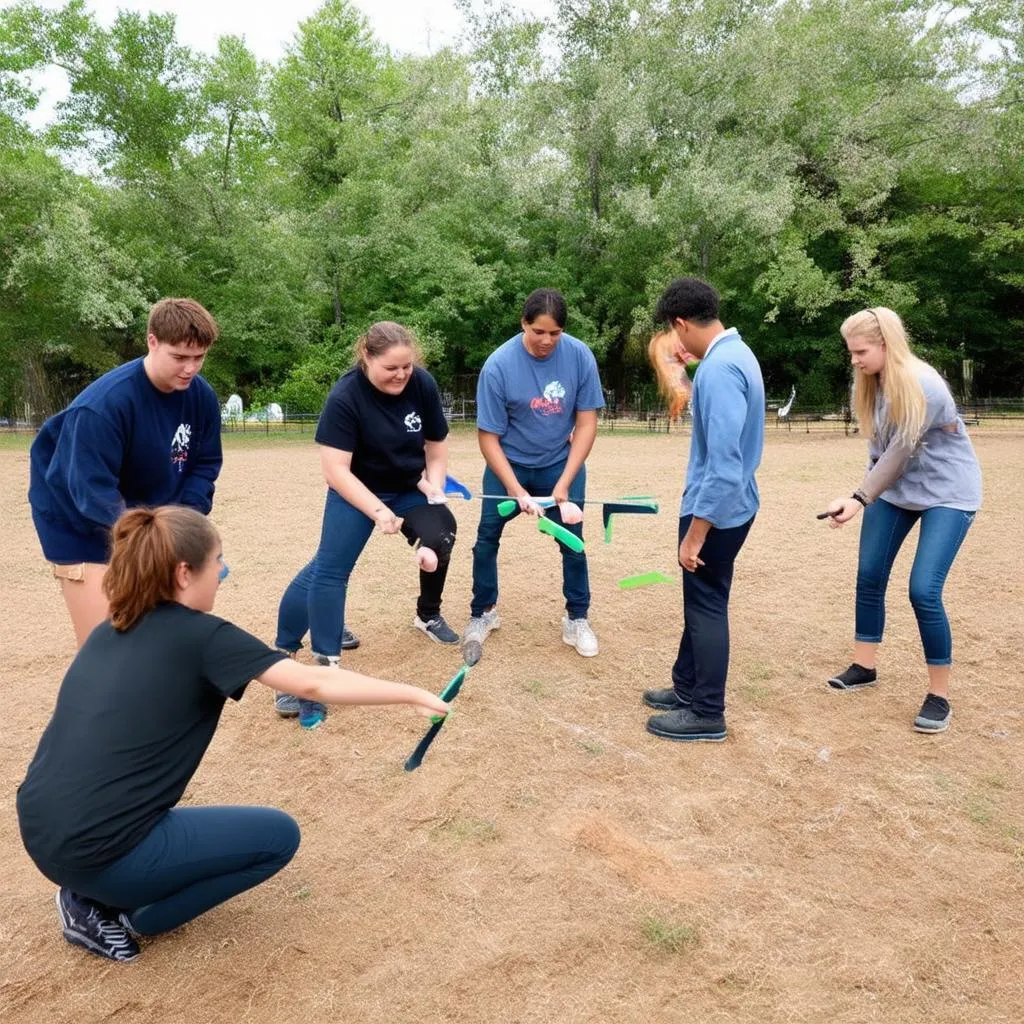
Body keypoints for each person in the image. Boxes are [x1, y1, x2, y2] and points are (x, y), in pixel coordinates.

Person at [16, 506, 447, 964]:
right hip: (98, 852)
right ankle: (123, 918)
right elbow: (313, 683)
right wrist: (410, 693)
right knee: (277, 838)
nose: (222, 572)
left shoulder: (114, 623)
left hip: (40, 828)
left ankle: (86, 891)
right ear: (184, 573)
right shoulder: (204, 638)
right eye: (217, 560)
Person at [275, 322, 459, 729]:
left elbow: (436, 444)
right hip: (355, 490)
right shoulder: (345, 397)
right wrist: (376, 510)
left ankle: (427, 614)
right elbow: (336, 471)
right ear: (367, 357)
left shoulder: (422, 384)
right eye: (391, 368)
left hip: (409, 487)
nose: (401, 375)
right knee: (327, 570)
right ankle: (301, 665)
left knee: (441, 532)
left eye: (407, 367)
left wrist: (435, 482)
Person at [821, 307, 981, 733]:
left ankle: (939, 696)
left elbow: (899, 453)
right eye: (850, 352)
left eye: (860, 351)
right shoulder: (874, 384)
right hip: (898, 492)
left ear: (886, 345)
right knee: (869, 573)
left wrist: (859, 498)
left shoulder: (923, 384)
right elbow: (879, 452)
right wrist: (863, 494)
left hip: (948, 494)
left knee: (923, 589)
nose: (853, 359)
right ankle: (864, 666)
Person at [28, 297, 222, 647]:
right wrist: (153, 540)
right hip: (81, 521)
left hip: (151, 522)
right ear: (152, 342)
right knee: (107, 645)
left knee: (159, 633)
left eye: (199, 358)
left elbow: (205, 465)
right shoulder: (104, 406)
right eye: (179, 357)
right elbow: (92, 490)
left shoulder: (201, 398)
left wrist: (181, 524)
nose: (190, 369)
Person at [643, 277, 764, 742]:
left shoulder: (718, 369)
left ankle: (707, 712)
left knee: (707, 606)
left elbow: (725, 464)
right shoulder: (738, 354)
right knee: (701, 602)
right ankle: (687, 687)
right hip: (728, 506)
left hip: (719, 511)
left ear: (680, 324)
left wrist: (696, 533)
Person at [463, 288, 605, 660]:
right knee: (486, 540)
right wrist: (515, 490)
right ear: (524, 323)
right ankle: (483, 612)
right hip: (508, 464)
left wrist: (563, 484)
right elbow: (488, 437)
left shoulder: (579, 356)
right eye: (538, 331)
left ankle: (577, 618)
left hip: (561, 463)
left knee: (572, 542)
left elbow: (587, 424)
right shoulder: (498, 365)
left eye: (555, 333)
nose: (546, 341)